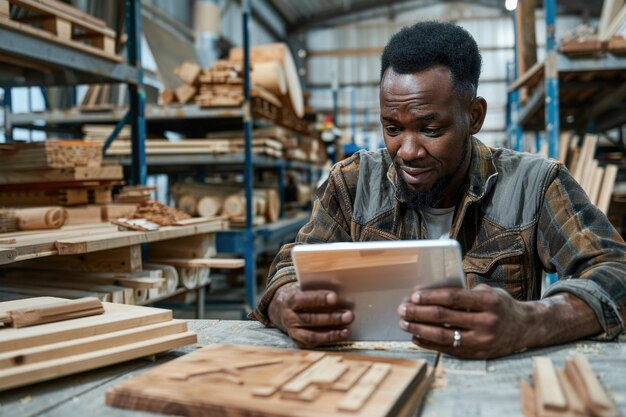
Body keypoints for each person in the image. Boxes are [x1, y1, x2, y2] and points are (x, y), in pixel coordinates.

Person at [249, 21, 626, 359]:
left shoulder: (534, 184)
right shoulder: (352, 184)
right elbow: (287, 269)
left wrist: (530, 321)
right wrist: (286, 304)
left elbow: (615, 270)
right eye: (393, 128)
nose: (408, 152)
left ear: (474, 116)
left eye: (430, 130)